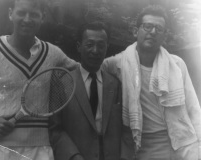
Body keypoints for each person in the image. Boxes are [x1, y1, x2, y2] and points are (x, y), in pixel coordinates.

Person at [0, 0, 77, 159]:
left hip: (41, 151)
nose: (27, 19)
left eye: (34, 15)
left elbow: (81, 69)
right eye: (22, 13)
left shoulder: (54, 53)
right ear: (10, 14)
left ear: (42, 17)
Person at [103, 5, 201, 160]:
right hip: (136, 142)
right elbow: (91, 69)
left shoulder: (177, 65)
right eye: (148, 26)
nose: (153, 32)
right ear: (136, 31)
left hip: (176, 141)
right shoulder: (118, 63)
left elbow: (193, 108)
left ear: (164, 36)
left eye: (159, 28)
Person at [49, 21, 134, 160]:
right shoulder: (63, 83)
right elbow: (55, 129)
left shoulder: (116, 84)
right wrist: (73, 156)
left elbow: (125, 127)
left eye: (101, 45)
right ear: (79, 46)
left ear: (107, 47)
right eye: (89, 44)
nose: (95, 50)